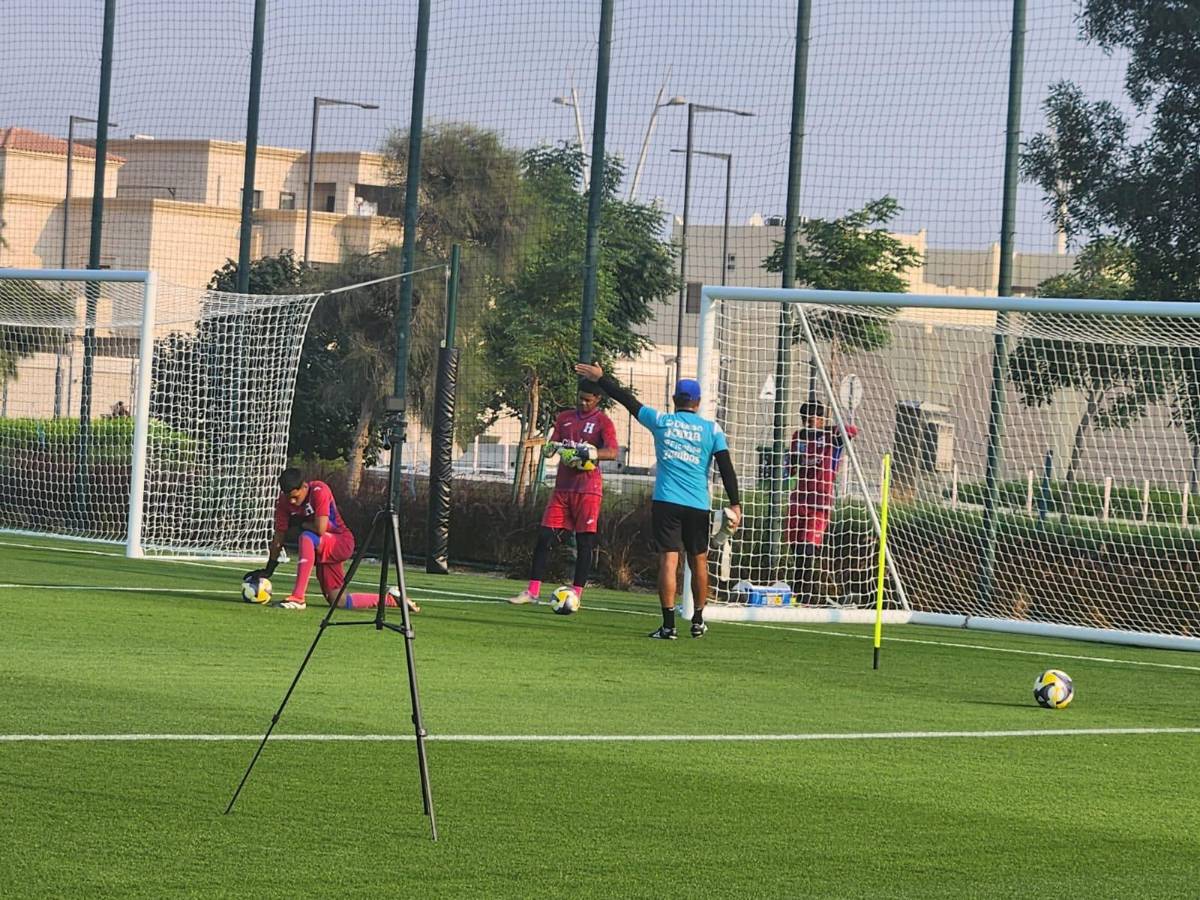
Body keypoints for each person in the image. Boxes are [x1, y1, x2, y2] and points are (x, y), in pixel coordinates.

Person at [574, 362, 741, 640]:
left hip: (666, 501)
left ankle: (668, 626)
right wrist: (736, 503)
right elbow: (726, 467)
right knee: (699, 561)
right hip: (698, 504)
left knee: (668, 561)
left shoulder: (662, 421)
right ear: (698, 403)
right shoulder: (712, 430)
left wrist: (602, 379)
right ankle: (698, 620)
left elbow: (627, 400)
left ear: (675, 400)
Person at [244, 467, 419, 613]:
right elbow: (278, 538)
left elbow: (320, 528)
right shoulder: (283, 503)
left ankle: (298, 598)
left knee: (306, 537)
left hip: (340, 542)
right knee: (339, 601)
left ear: (304, 486)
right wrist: (269, 569)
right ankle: (392, 599)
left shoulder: (319, 490)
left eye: (295, 497)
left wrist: (302, 523)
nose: (292, 501)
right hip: (322, 549)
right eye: (288, 497)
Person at [508, 379, 619, 606]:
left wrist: (589, 454)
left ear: (598, 399)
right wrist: (551, 449)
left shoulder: (603, 422)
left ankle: (577, 593)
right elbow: (552, 445)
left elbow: (612, 452)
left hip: (588, 490)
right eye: (580, 398)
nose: (583, 402)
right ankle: (532, 591)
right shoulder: (565, 418)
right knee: (544, 538)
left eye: (588, 399)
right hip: (562, 489)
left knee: (585, 542)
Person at [785, 401, 857, 604]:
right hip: (798, 499)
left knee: (808, 548)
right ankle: (798, 592)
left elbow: (851, 431)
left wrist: (825, 430)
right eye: (804, 420)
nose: (808, 424)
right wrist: (791, 461)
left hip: (820, 501)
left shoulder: (831, 436)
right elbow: (789, 469)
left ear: (821, 419)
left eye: (812, 419)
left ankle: (804, 596)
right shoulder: (798, 437)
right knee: (796, 548)